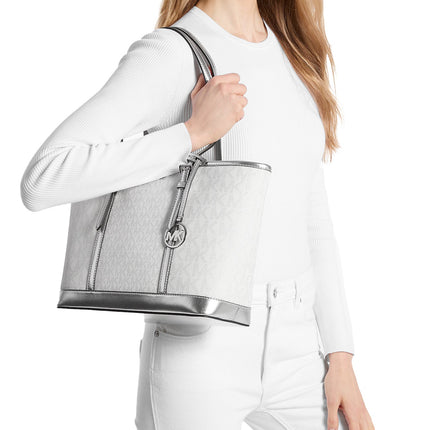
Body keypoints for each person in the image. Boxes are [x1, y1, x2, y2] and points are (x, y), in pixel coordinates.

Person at [20, 0, 375, 429]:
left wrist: (340, 354)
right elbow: (44, 177)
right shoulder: (171, 53)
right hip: (200, 344)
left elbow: (311, 213)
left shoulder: (292, 51)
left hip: (299, 343)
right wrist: (192, 134)